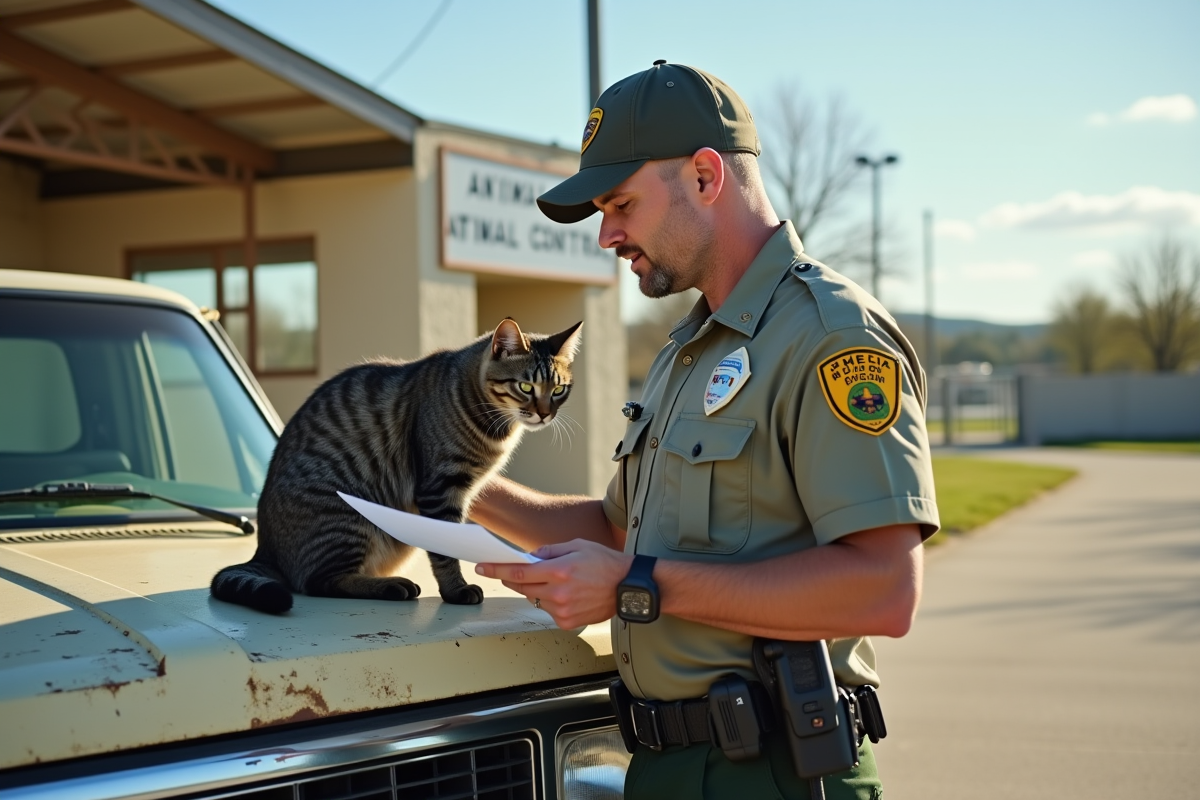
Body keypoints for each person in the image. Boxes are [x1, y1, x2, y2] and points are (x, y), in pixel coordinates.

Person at [471, 61, 938, 800]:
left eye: (620, 204)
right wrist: (455, 491)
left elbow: (883, 590)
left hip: (778, 773)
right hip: (665, 769)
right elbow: (623, 533)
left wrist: (637, 586)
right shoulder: (688, 350)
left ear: (705, 176)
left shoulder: (830, 337)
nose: (606, 235)